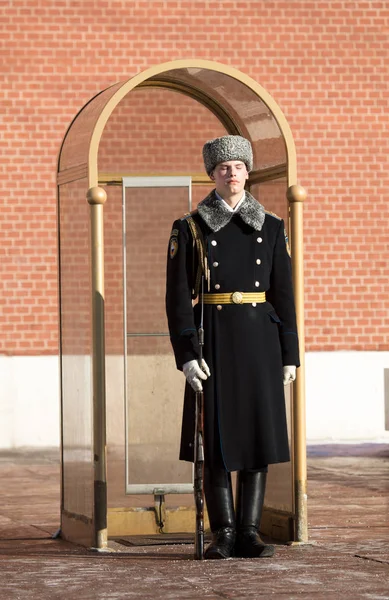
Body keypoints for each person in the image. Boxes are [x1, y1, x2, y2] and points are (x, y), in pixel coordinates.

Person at [166, 135, 299, 559]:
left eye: (239, 166)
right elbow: (177, 298)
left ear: (248, 172)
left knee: (257, 437)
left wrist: (289, 354)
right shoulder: (190, 227)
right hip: (214, 340)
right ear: (212, 174)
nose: (232, 173)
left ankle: (250, 532)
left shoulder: (272, 226)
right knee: (217, 438)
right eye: (224, 167)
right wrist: (187, 356)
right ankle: (223, 532)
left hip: (260, 341)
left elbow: (284, 294)